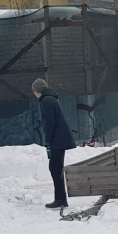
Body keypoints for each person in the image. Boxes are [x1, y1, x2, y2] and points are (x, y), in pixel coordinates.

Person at [32, 78, 76, 208]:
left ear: (38, 91)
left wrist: (48, 141)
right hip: (60, 138)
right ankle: (61, 198)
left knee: (55, 168)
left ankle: (60, 199)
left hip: (57, 139)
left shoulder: (46, 101)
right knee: (56, 168)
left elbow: (49, 123)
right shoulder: (51, 98)